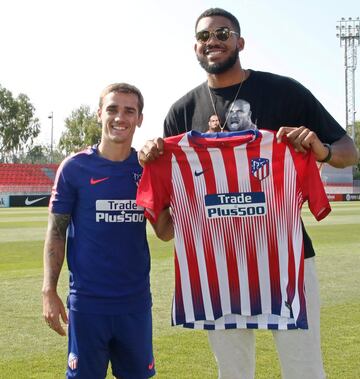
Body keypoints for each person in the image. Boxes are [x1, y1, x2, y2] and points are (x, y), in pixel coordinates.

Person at [138, 7, 359, 379]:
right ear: (195, 48)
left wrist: (319, 148)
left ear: (240, 42)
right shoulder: (181, 112)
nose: (213, 42)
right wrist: (151, 162)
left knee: (304, 369)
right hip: (216, 266)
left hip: (287, 259)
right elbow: (165, 229)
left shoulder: (284, 92)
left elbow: (349, 150)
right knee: (234, 372)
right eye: (204, 37)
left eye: (222, 34)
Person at [42, 83, 172, 379]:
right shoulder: (74, 168)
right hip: (88, 304)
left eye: (129, 111)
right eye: (112, 109)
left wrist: (191, 205)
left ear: (139, 118)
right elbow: (56, 233)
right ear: (99, 114)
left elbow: (164, 232)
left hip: (135, 303)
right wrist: (49, 290)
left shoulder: (146, 169)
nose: (120, 117)